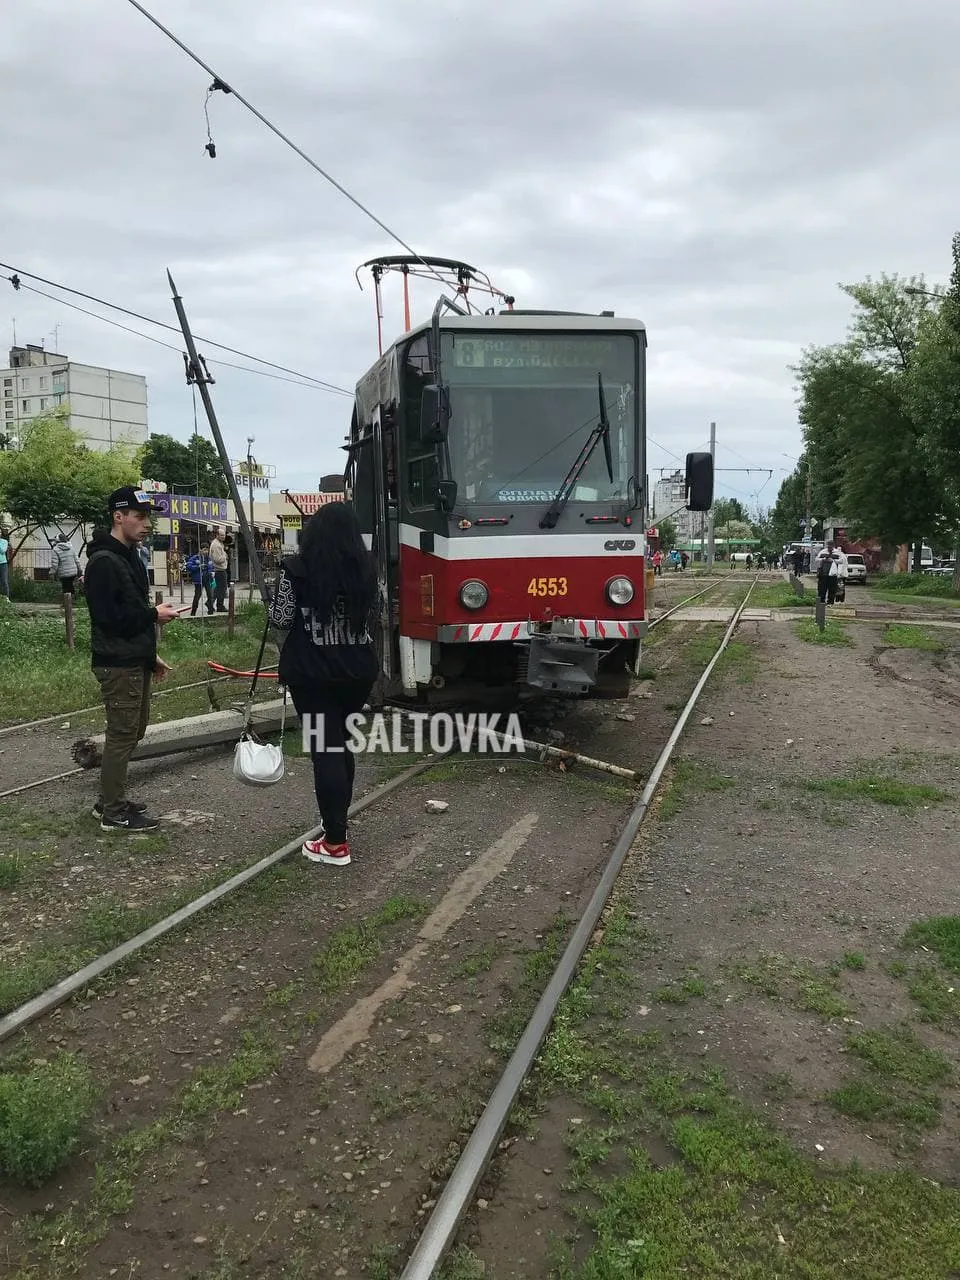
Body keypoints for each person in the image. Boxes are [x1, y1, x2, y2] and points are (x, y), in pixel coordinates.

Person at [269, 501, 381, 867]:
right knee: (340, 743)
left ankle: (335, 842)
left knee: (325, 749)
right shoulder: (367, 570)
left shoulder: (295, 569)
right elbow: (376, 613)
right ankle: (336, 822)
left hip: (312, 673)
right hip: (358, 672)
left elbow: (282, 619)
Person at [83, 487, 181, 831]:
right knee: (122, 735)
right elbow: (110, 619)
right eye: (139, 517)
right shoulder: (104, 562)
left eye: (147, 517)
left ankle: (108, 801)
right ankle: (112, 812)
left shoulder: (128, 556)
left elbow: (132, 612)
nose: (145, 524)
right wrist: (154, 615)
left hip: (132, 659)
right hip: (117, 664)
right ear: (118, 517)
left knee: (133, 731)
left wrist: (150, 656)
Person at [185, 543, 216, 616]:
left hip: (208, 579)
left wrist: (212, 572)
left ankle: (210, 612)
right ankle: (193, 613)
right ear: (200, 550)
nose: (206, 552)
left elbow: (212, 567)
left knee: (210, 595)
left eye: (207, 550)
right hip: (199, 580)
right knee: (197, 596)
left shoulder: (209, 558)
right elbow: (189, 567)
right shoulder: (195, 558)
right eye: (204, 550)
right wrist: (198, 566)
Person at [210, 532, 229, 612]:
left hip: (219, 569)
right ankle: (219, 606)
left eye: (224, 535)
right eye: (221, 535)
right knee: (222, 588)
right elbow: (217, 560)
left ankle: (211, 603)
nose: (223, 537)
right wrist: (225, 556)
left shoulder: (219, 543)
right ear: (217, 535)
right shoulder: (216, 545)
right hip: (219, 569)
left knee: (218, 588)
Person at [0, 527, 9, 599]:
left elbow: (3, 551)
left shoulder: (4, 541)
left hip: (3, 563)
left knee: (4, 580)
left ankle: (6, 597)